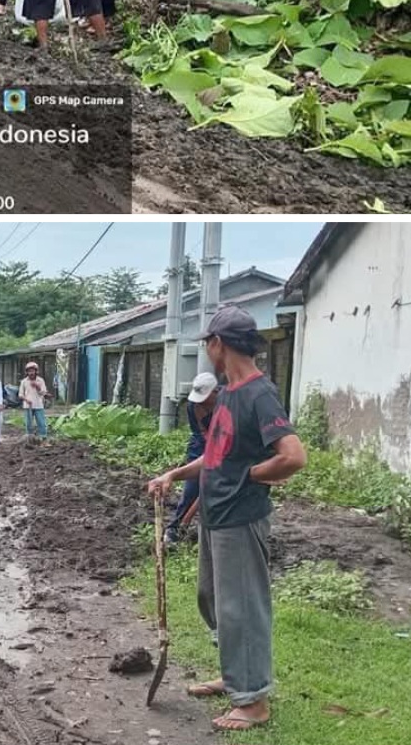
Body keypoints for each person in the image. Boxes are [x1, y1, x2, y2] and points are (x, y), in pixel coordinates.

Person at [147, 306, 307, 733]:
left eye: (207, 343)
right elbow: (214, 455)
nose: (207, 351)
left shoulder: (258, 393)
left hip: (241, 516)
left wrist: (252, 474)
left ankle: (253, 700)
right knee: (211, 599)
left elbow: (293, 457)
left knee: (241, 607)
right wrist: (173, 474)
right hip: (216, 517)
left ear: (219, 344)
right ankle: (236, 673)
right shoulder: (228, 393)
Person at [164, 372, 219, 547]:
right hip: (202, 443)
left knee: (216, 485)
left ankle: (216, 530)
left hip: (228, 442)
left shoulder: (230, 402)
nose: (200, 401)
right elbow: (202, 432)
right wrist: (211, 451)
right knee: (193, 486)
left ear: (215, 391)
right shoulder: (193, 405)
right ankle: (176, 527)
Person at [18, 361, 48, 440]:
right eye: (29, 371)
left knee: (41, 422)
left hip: (38, 404)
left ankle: (43, 436)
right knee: (28, 423)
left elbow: (44, 392)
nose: (31, 372)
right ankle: (30, 437)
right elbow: (20, 394)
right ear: (27, 372)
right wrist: (26, 400)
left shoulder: (40, 380)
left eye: (32, 370)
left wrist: (37, 386)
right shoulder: (24, 381)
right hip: (28, 405)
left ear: (36, 371)